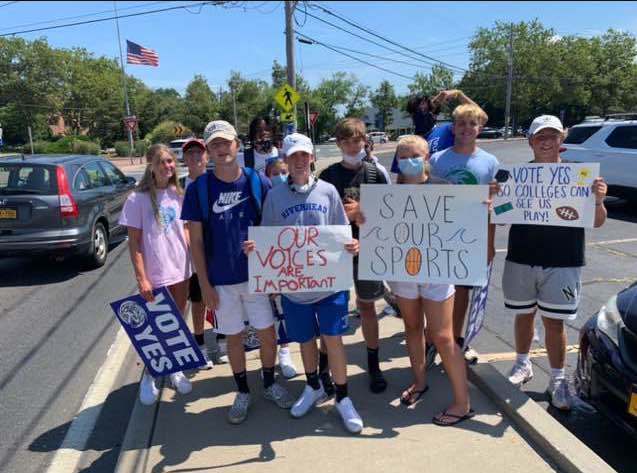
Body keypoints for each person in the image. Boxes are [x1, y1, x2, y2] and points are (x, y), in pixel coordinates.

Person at [243, 132, 364, 433]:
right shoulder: (275, 196)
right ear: (285, 159)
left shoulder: (328, 192)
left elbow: (340, 231)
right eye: (292, 155)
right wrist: (256, 251)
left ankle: (343, 398)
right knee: (305, 341)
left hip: (328, 285)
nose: (298, 161)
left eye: (303, 155)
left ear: (311, 158)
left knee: (333, 341)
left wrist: (352, 246)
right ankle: (312, 387)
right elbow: (269, 238)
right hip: (295, 289)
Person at [181, 120, 294, 424]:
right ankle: (243, 390)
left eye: (225, 142)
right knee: (233, 337)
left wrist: (274, 270)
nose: (221, 149)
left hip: (258, 277)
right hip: (220, 282)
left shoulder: (258, 182)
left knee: (268, 333)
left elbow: (275, 226)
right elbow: (196, 241)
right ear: (208, 150)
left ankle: (269, 383)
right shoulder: (199, 190)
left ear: (236, 144)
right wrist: (203, 283)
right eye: (214, 144)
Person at [503, 115, 608, 410]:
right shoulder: (516, 176)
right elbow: (501, 218)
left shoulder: (581, 177)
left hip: (563, 260)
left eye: (552, 136)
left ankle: (558, 379)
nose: (546, 142)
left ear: (561, 140)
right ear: (531, 142)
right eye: (540, 137)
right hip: (522, 257)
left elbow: (598, 222)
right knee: (523, 315)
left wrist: (598, 201)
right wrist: (495, 199)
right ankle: (522, 364)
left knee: (554, 322)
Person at [383, 135, 474, 426]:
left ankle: (462, 403)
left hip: (437, 272)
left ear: (426, 157)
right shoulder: (389, 194)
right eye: (403, 155)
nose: (409, 160)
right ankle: (419, 381)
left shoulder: (444, 188)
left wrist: (482, 206)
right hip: (404, 271)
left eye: (415, 155)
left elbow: (465, 223)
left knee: (443, 336)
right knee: (412, 327)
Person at [319, 117, 389, 394]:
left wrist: (364, 210)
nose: (351, 145)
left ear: (365, 141)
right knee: (329, 310)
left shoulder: (375, 173)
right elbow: (319, 217)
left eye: (356, 140)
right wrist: (344, 215)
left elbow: (390, 213)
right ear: (338, 144)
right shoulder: (328, 176)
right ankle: (324, 367)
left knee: (368, 307)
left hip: (367, 250)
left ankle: (374, 364)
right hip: (335, 252)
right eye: (345, 141)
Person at [119, 144, 193, 405]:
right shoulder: (136, 199)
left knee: (177, 324)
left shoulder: (179, 194)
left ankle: (174, 369)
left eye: (171, 161)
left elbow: (185, 231)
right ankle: (150, 374)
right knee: (156, 327)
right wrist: (142, 278)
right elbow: (135, 243)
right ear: (151, 165)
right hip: (156, 273)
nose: (167, 167)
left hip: (181, 270)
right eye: (162, 162)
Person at [429, 103, 499, 363]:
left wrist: (490, 244)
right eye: (461, 124)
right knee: (437, 291)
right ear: (453, 128)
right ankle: (436, 339)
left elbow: (496, 207)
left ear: (479, 128)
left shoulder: (490, 162)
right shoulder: (437, 160)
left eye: (472, 124)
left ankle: (455, 340)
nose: (467, 128)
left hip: (472, 237)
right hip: (439, 236)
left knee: (461, 293)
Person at [179, 139, 215, 370]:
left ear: (207, 156)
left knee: (221, 296)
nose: (195, 158)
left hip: (215, 249)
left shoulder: (215, 181)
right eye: (190, 154)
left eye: (199, 153)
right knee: (197, 301)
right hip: (188, 254)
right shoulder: (178, 186)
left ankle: (222, 339)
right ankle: (199, 343)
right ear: (184, 159)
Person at [263, 158, 298, 379]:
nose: (281, 176)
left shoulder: (297, 193)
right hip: (272, 261)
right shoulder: (265, 197)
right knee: (270, 313)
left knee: (286, 311)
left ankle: (285, 352)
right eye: (275, 173)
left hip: (295, 263)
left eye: (284, 171)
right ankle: (271, 357)